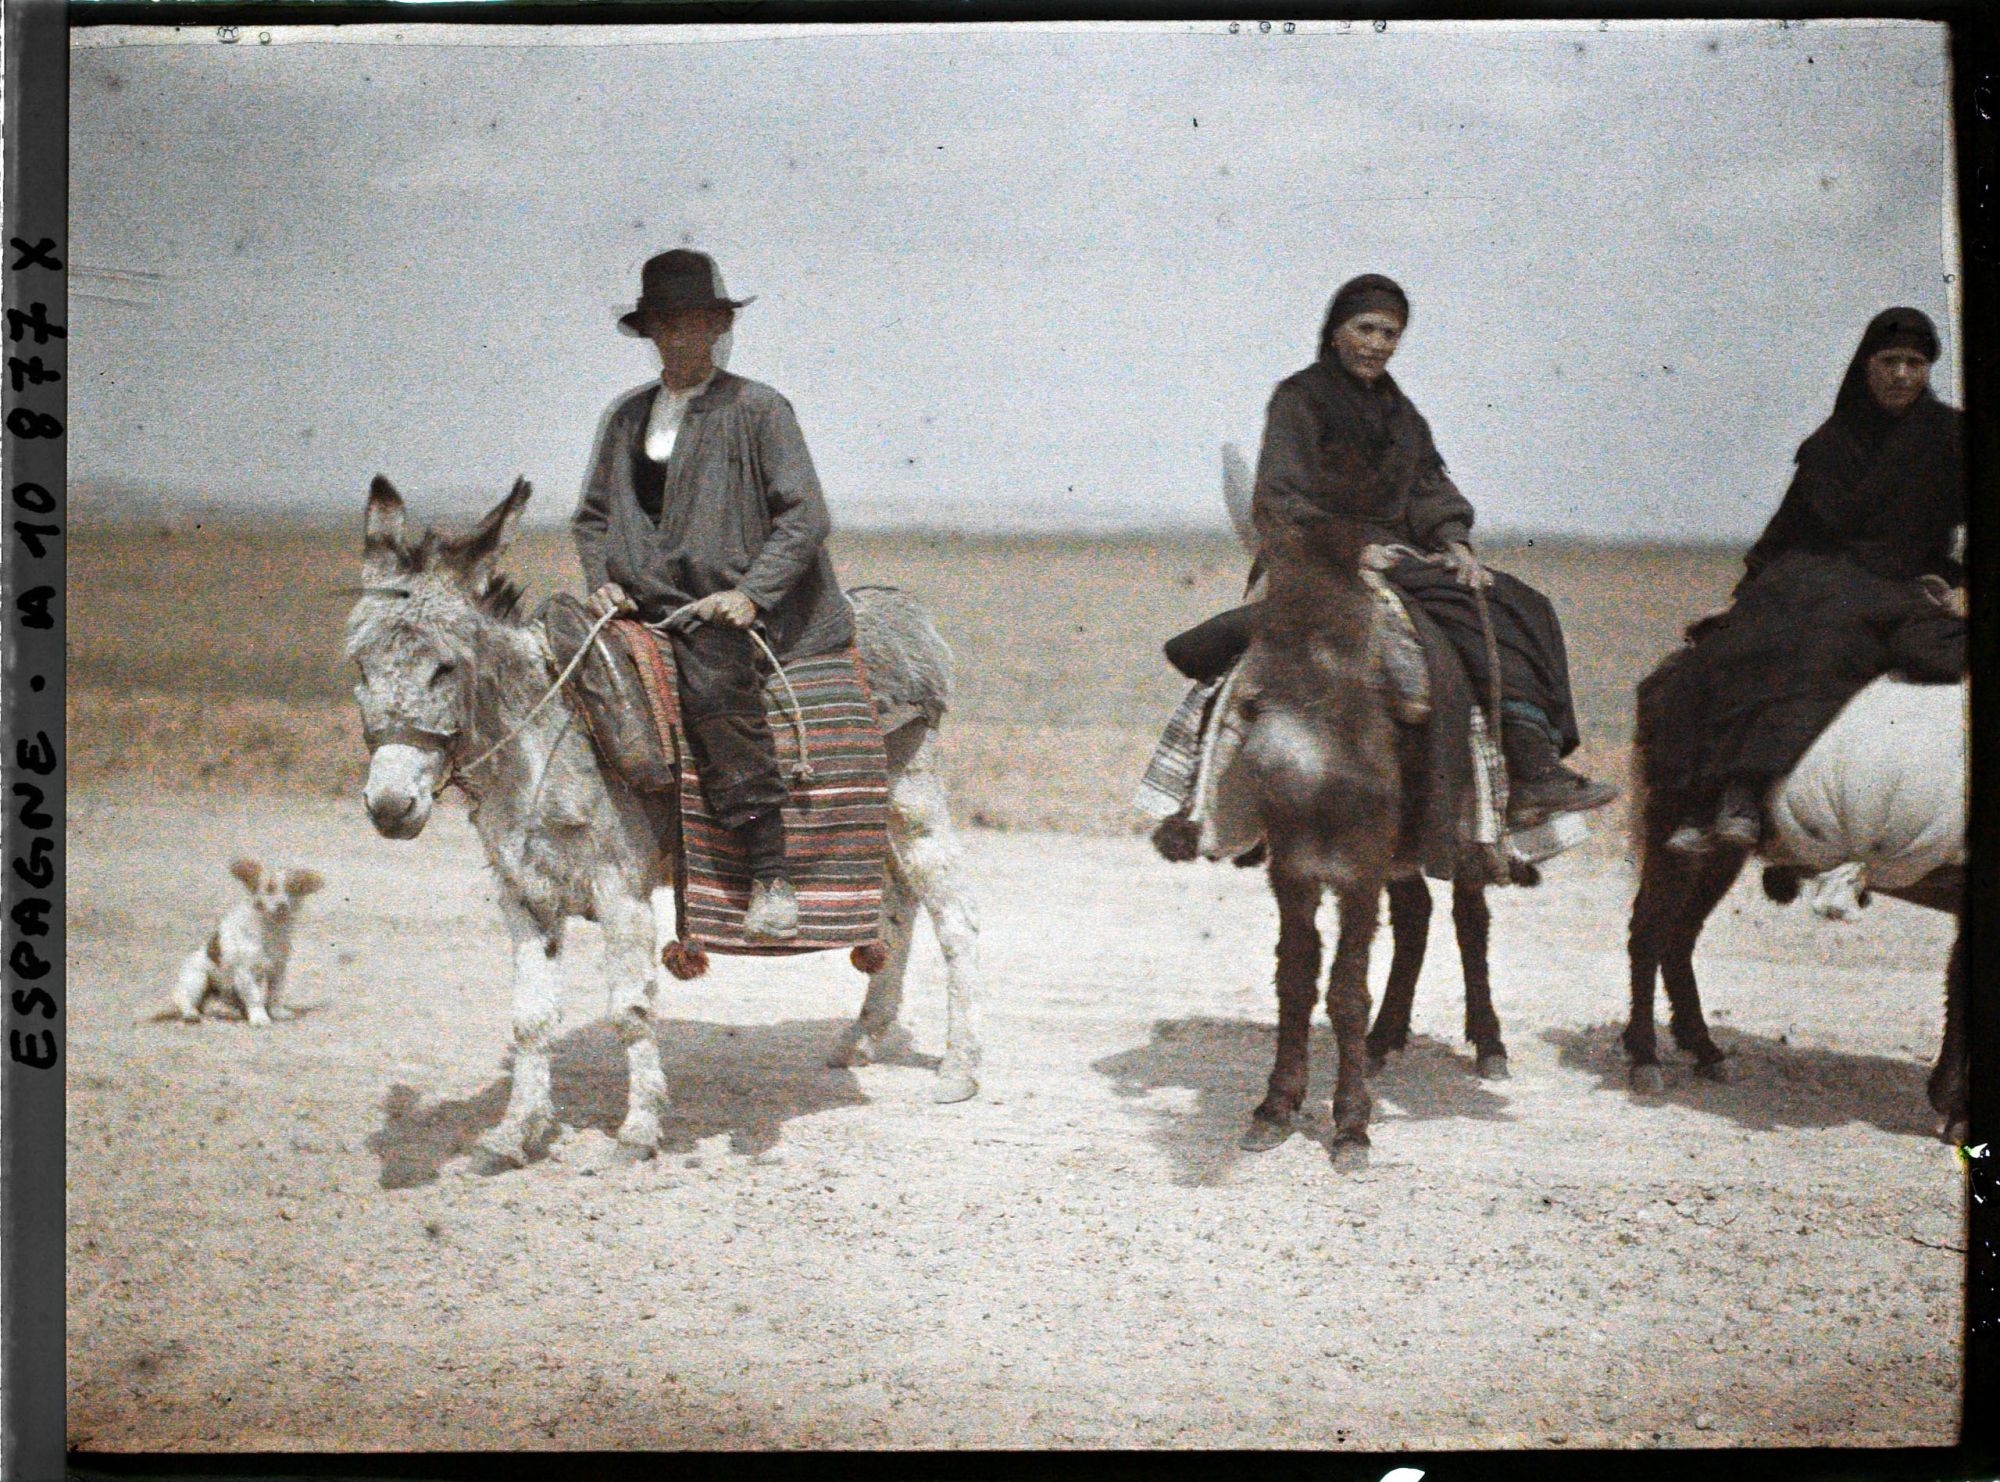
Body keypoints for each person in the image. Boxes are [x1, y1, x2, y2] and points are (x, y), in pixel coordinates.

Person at [1245, 272, 1618, 827]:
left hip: (1402, 550)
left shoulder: (1401, 413)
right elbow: (1277, 494)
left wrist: (1454, 541)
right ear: (1335, 331)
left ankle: (1533, 765)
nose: (1377, 344)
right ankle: (1221, 802)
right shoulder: (1299, 399)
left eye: (1390, 334)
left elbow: (1427, 485)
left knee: (1520, 602)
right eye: (1365, 329)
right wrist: (1349, 550)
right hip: (1318, 549)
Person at [572, 250, 855, 941]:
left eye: (696, 323)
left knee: (715, 687)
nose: (681, 337)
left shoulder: (758, 409)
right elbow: (593, 518)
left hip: (721, 609)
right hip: (636, 603)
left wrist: (752, 595)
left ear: (718, 328)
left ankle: (770, 872)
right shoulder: (625, 418)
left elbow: (804, 516)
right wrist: (600, 579)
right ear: (651, 333)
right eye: (667, 325)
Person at [1653, 305, 1966, 854]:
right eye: (1888, 360)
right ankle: (1694, 801)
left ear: (1928, 370)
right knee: (1723, 649)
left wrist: (1958, 583)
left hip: (1896, 585)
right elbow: (1783, 534)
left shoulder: (1954, 438)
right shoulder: (1830, 444)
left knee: (1821, 646)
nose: (1900, 375)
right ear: (1865, 366)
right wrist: (1739, 603)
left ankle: (1745, 794)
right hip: (1804, 580)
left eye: (1914, 363)